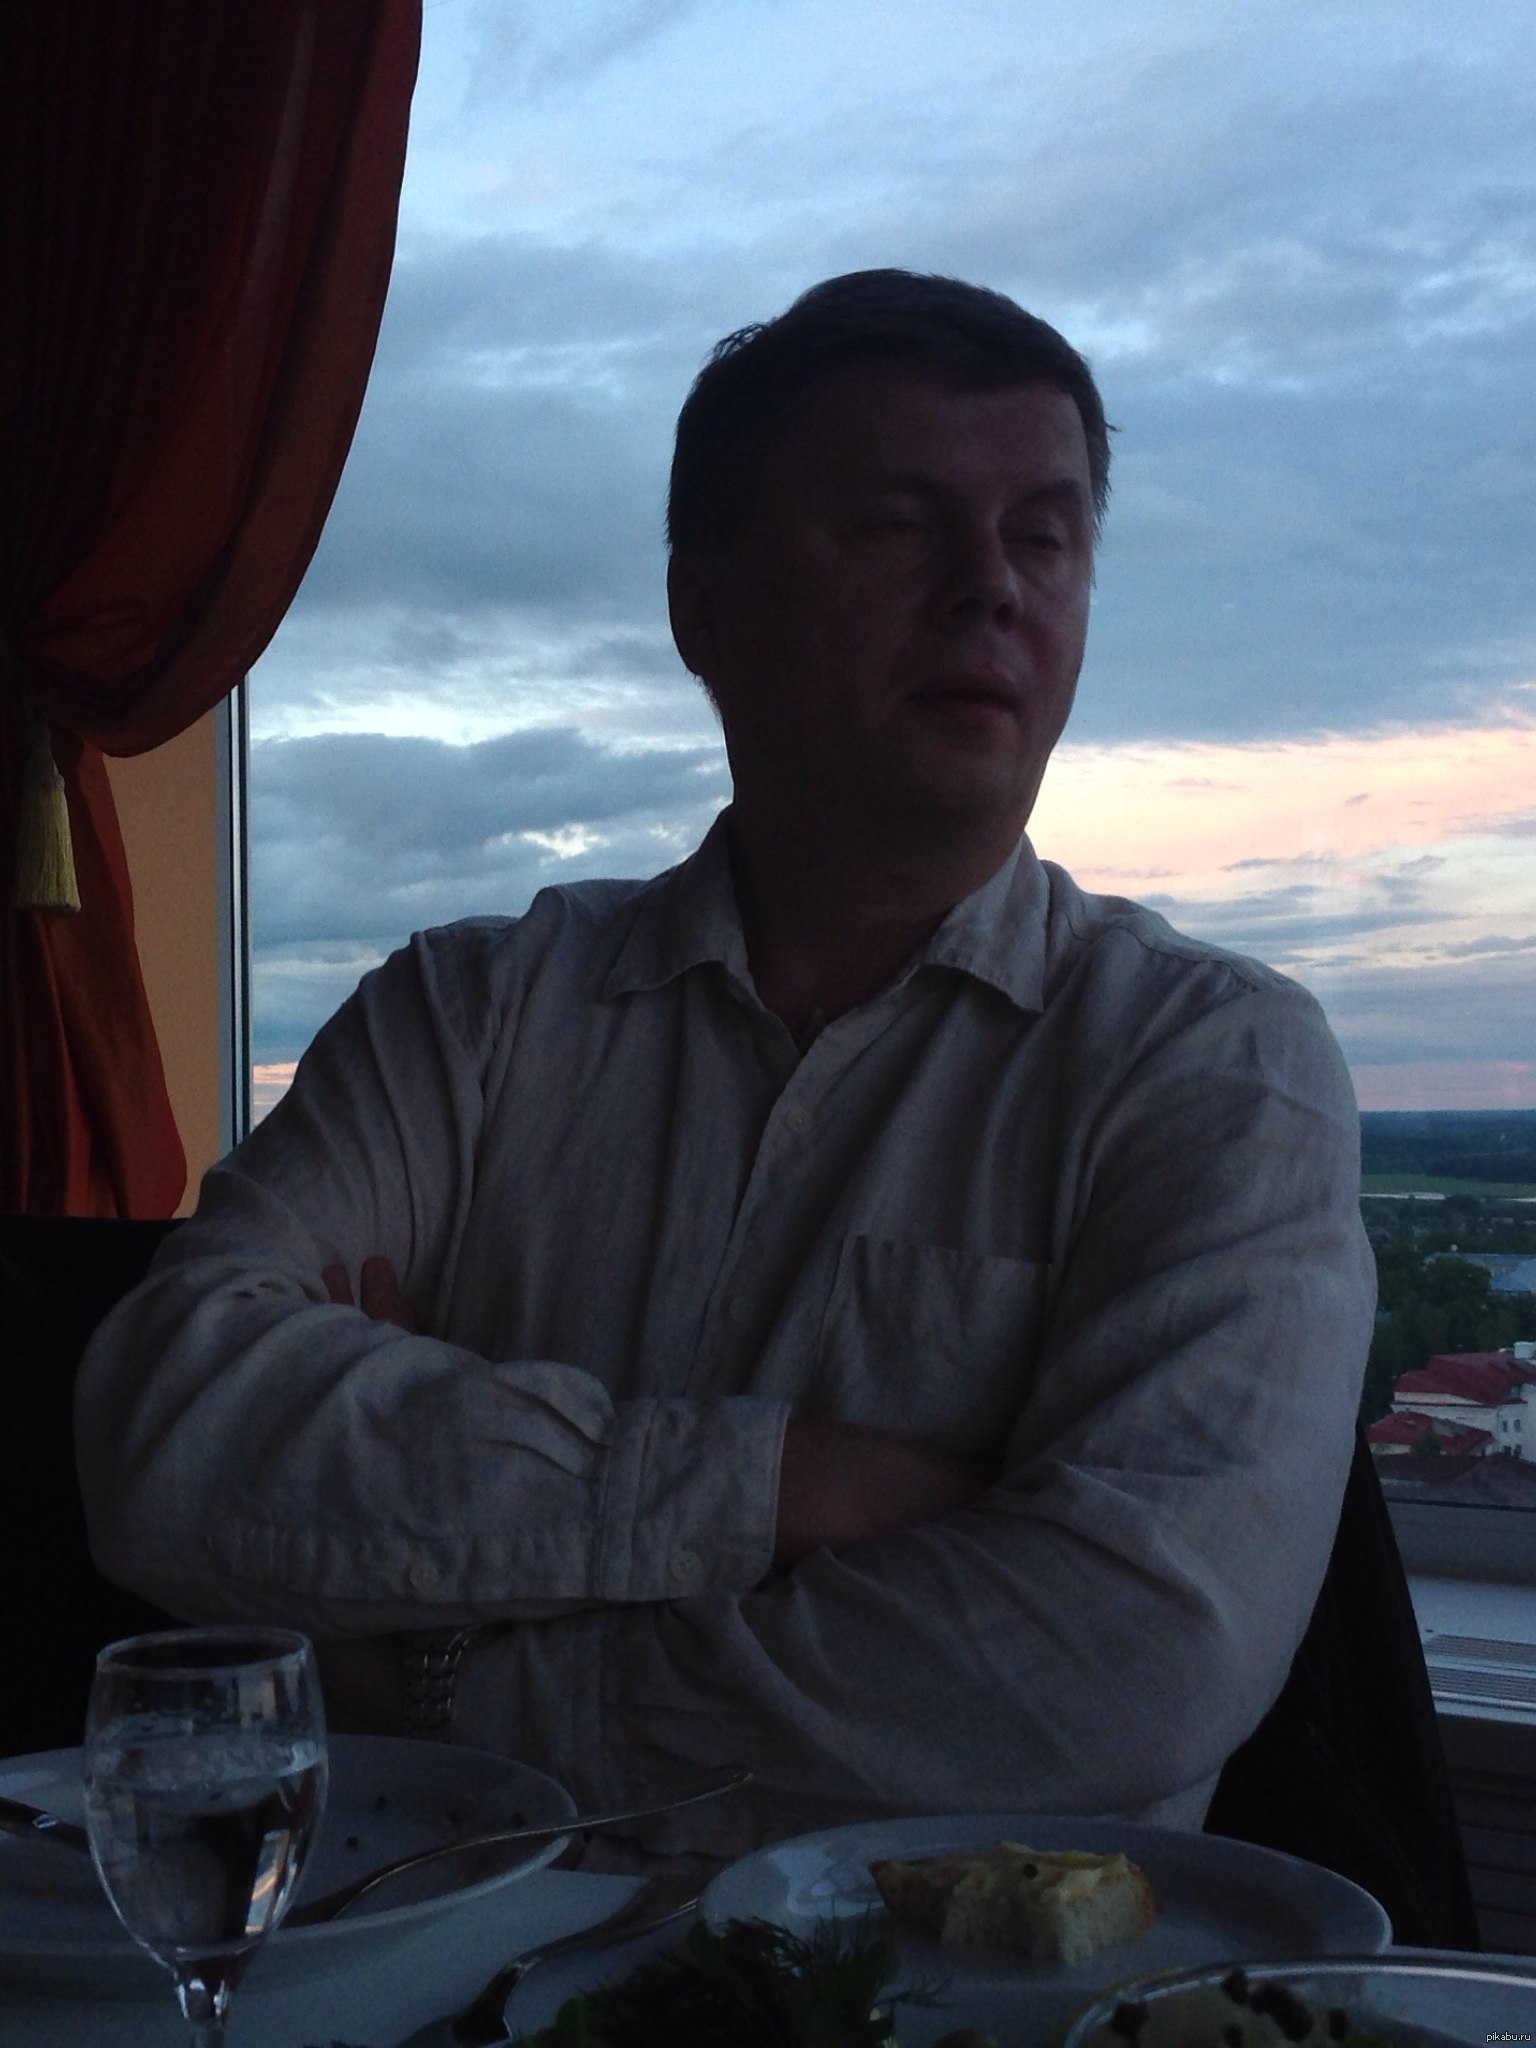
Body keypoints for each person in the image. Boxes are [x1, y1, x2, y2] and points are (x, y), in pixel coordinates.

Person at [76, 269, 1375, 1879]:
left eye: (1044, 538)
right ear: (705, 610)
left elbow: (1124, 1664)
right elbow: (160, 1432)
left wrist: (439, 1657)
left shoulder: (1212, 1068)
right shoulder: (469, 1015)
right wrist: (773, 1484)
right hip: (407, 1978)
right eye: (899, 525)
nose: (991, 588)